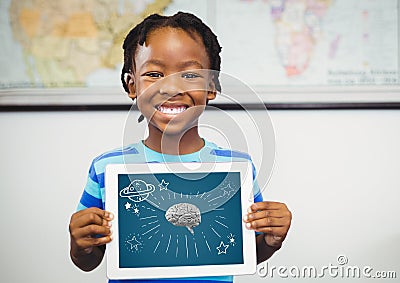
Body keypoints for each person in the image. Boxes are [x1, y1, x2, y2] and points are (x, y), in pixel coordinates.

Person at [69, 11, 291, 283]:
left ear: (211, 87)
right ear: (131, 85)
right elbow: (89, 260)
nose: (172, 87)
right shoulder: (106, 168)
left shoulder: (237, 168)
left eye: (189, 74)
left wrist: (272, 239)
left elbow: (246, 251)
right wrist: (81, 244)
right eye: (153, 73)